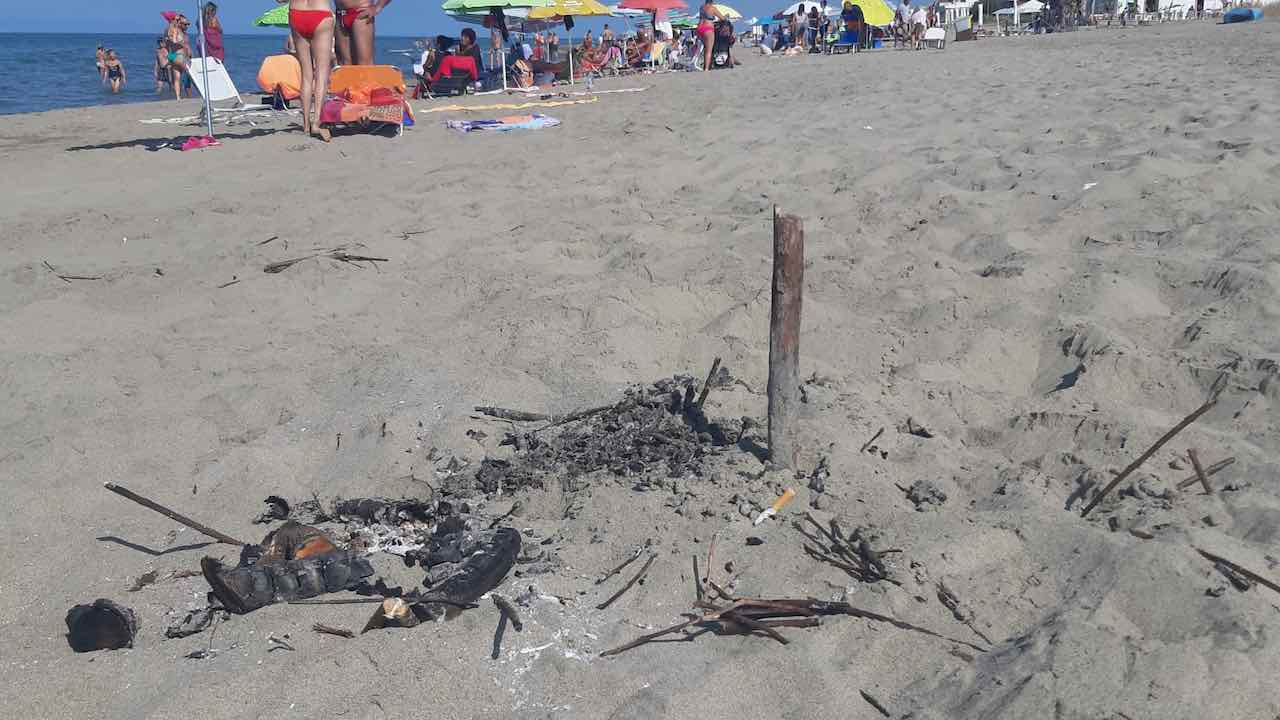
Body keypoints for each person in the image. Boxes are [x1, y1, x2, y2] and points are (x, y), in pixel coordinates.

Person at [287, 0, 337, 141]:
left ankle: (305, 125)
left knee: (306, 74)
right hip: (320, 12)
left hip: (297, 12)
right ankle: (316, 122)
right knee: (322, 73)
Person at [334, 0, 392, 66]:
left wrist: (378, 7)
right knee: (344, 63)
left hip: (360, 13)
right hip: (340, 15)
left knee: (364, 63)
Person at [697, 0, 725, 70]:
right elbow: (722, 18)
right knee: (709, 50)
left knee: (704, 48)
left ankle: (703, 65)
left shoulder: (701, 7)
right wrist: (726, 16)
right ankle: (706, 68)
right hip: (708, 28)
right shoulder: (713, 8)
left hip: (700, 27)